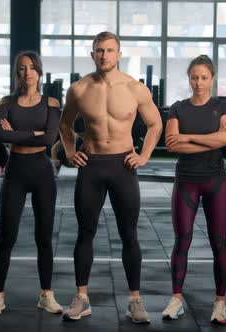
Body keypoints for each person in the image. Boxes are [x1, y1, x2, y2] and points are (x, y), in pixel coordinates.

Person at [59, 31, 162, 324]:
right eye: (99, 50)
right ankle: (81, 298)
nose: (104, 55)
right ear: (93, 55)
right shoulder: (78, 89)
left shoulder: (134, 88)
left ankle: (134, 301)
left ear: (119, 54)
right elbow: (65, 125)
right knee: (85, 232)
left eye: (109, 50)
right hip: (91, 165)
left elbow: (155, 124)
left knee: (129, 234)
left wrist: (143, 156)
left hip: (123, 166)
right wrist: (69, 153)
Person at [0, 51, 62, 317]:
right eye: (22, 68)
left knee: (44, 238)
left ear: (39, 71)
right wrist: (34, 133)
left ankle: (46, 296)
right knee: (7, 236)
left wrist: (19, 134)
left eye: (31, 67)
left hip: (41, 172)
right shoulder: (7, 102)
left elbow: (50, 139)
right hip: (15, 171)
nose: (27, 72)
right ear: (17, 73)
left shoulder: (51, 102)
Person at [161, 55, 226, 324]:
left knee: (219, 243)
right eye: (194, 77)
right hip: (186, 181)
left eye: (204, 77)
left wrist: (189, 137)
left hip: (215, 180)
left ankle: (220, 303)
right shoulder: (178, 108)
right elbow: (172, 145)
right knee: (182, 240)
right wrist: (209, 142)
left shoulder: (222, 106)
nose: (199, 83)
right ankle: (176, 300)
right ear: (188, 78)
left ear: (212, 79)